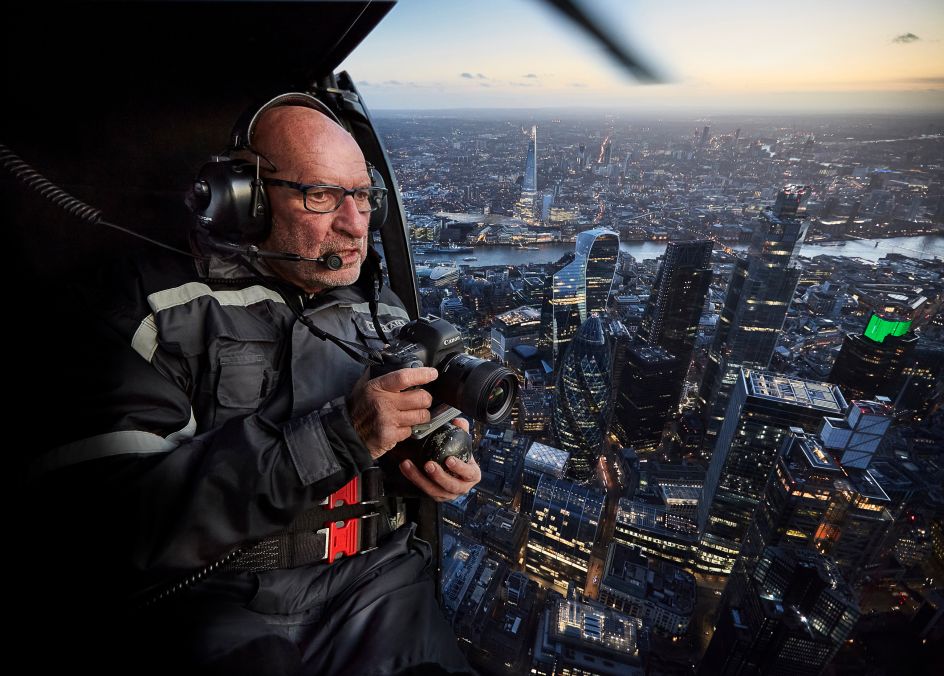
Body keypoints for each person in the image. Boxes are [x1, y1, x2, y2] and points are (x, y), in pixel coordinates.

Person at [22, 96, 479, 675]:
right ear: (245, 200)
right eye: (322, 195)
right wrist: (339, 436)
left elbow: (391, 442)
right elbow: (105, 523)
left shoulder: (379, 308)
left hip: (380, 587)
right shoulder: (149, 310)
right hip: (216, 598)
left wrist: (427, 456)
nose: (355, 223)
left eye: (364, 197)